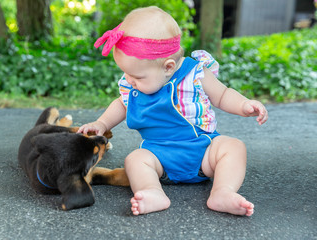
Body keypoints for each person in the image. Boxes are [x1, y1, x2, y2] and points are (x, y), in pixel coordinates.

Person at [78, 6, 268, 216]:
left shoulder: (194, 75)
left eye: (137, 77)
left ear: (168, 67)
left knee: (233, 147)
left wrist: (244, 105)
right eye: (126, 73)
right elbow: (121, 105)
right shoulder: (132, 85)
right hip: (158, 158)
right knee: (135, 159)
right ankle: (152, 191)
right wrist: (102, 124)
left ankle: (223, 191)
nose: (129, 80)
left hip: (202, 153)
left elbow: (222, 95)